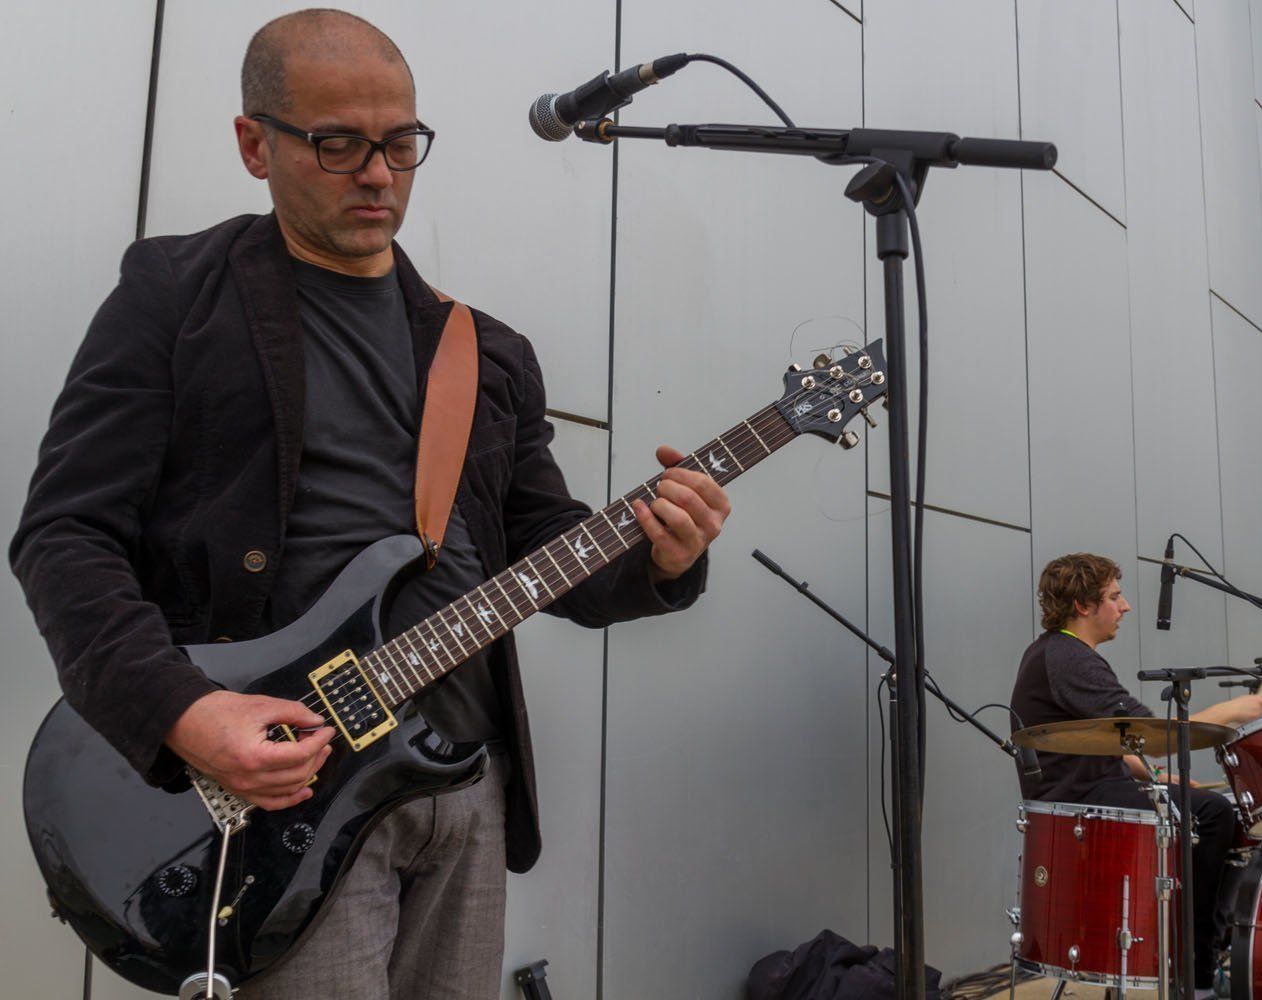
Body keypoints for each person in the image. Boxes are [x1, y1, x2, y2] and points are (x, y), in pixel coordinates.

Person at [10, 9, 731, 997]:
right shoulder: (176, 297)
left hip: (463, 784)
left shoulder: (485, 353)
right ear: (254, 144)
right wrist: (184, 712)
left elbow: (542, 548)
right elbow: (66, 534)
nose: (379, 173)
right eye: (339, 142)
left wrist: (661, 556)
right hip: (283, 796)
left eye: (400, 142)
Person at [1009, 553, 1262, 996]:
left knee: (1213, 810)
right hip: (1081, 803)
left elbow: (1116, 742)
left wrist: (1156, 777)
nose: (1125, 606)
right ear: (1083, 606)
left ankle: (1197, 952)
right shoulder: (1069, 658)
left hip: (1095, 786)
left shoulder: (1055, 652)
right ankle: (1199, 973)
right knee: (1218, 815)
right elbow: (1151, 735)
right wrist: (1232, 712)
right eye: (1114, 596)